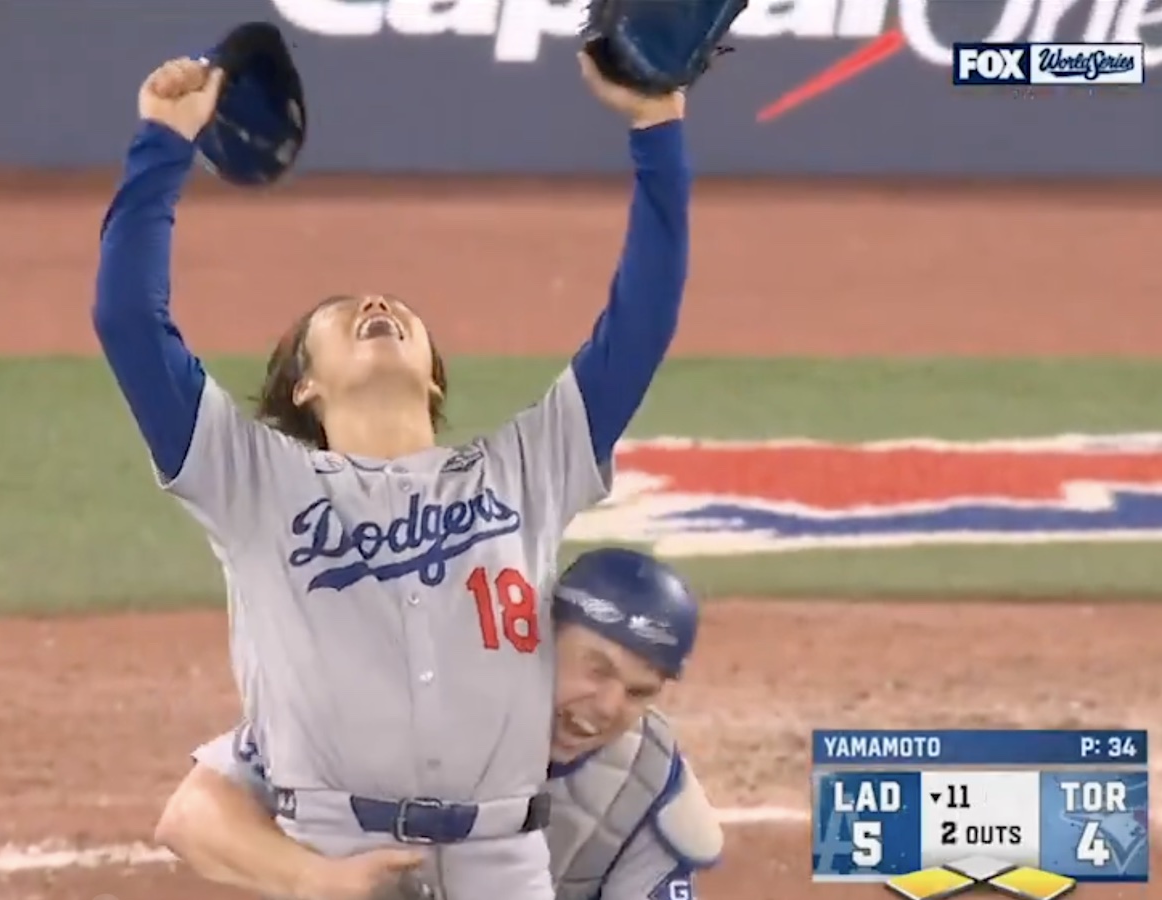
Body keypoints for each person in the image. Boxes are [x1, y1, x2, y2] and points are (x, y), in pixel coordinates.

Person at [92, 46, 692, 900]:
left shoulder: (534, 465)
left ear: (436, 378)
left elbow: (645, 314)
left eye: (398, 314)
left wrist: (655, 126)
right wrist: (162, 144)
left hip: (506, 863)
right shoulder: (250, 481)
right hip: (335, 850)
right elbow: (126, 318)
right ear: (305, 383)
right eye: (342, 316)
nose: (376, 305)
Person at [157, 548, 724, 900]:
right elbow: (191, 817)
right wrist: (314, 880)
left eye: (638, 692)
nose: (606, 706)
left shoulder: (643, 782)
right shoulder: (391, 694)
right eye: (595, 668)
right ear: (541, 634)